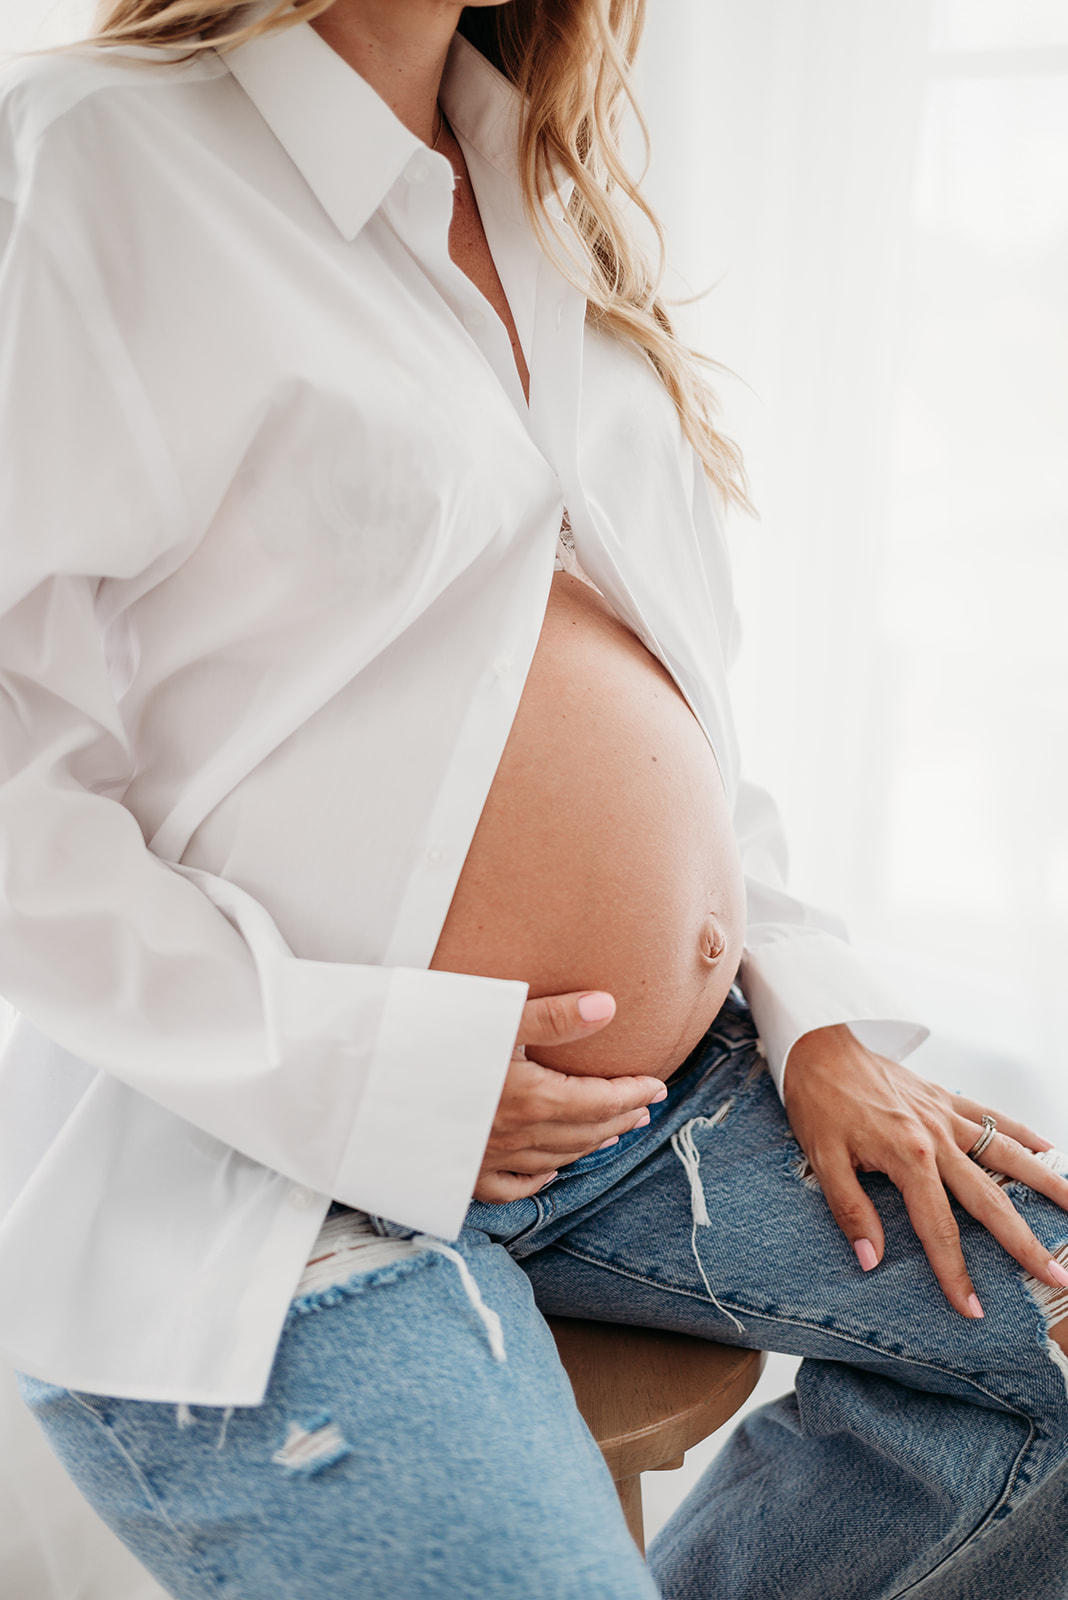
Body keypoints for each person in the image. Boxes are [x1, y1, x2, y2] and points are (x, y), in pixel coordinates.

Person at [1, 1, 1067, 1596]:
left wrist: (817, 1015)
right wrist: (367, 1075)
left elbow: (661, 709)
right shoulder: (92, 153)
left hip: (650, 1119)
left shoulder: (539, 194)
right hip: (272, 1171)